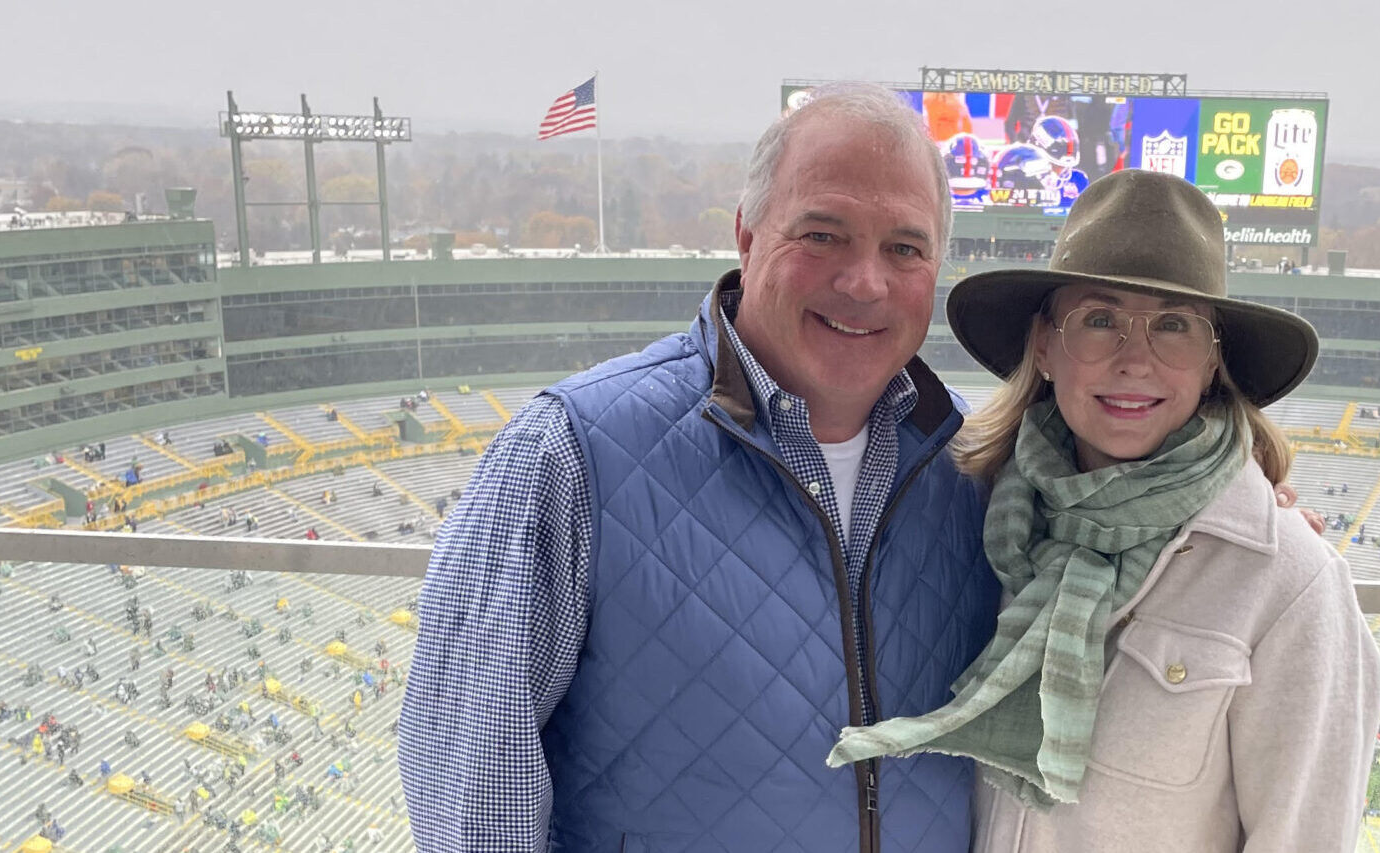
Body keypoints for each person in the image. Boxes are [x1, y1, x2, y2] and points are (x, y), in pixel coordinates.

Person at [397, 82, 1003, 852]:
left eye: (905, 248)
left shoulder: (975, 473)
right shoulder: (568, 453)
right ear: (747, 237)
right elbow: (471, 794)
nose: (865, 282)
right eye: (822, 235)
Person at [827, 170, 1378, 850]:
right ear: (1044, 346)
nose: (1135, 360)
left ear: (1212, 361)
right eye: (1100, 320)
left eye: (1173, 326)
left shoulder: (1287, 583)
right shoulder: (977, 514)